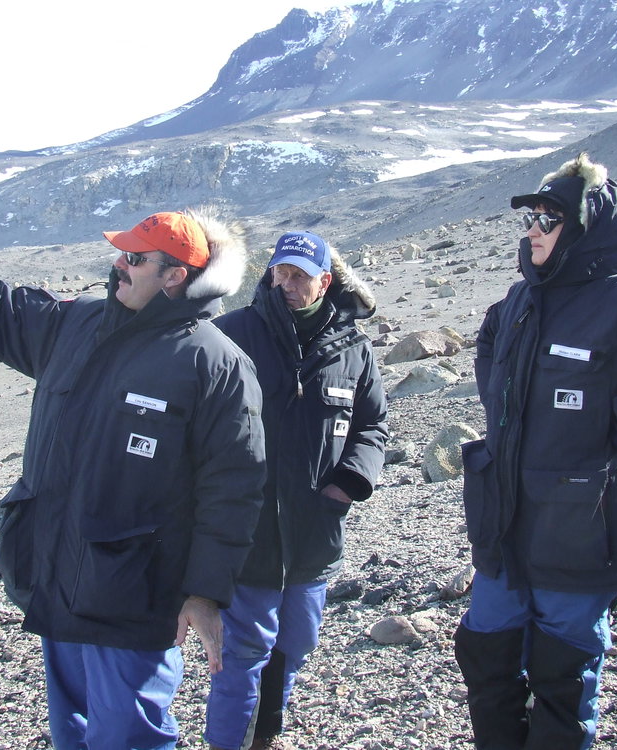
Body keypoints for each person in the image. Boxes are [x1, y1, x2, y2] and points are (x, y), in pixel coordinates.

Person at [0, 209, 267, 750]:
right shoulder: (75, 324)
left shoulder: (215, 363)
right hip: (57, 579)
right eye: (121, 252)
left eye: (135, 258)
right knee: (72, 734)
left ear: (175, 275)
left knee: (129, 736)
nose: (119, 265)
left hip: (134, 596)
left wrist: (204, 593)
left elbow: (234, 490)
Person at [456, 153, 617, 749]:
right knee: (484, 649)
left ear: (586, 229)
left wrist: (616, 417)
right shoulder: (519, 300)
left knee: (563, 669)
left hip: (581, 529)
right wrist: (506, 406)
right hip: (506, 524)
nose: (532, 230)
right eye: (530, 218)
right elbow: (488, 346)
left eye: (548, 219)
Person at [204, 232, 388, 750]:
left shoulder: (353, 348)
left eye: (299, 275)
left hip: (314, 532)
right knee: (244, 652)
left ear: (324, 282)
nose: (286, 283)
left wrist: (348, 483)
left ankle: (265, 734)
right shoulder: (231, 334)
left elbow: (372, 425)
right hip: (248, 531)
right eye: (280, 273)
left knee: (297, 642)